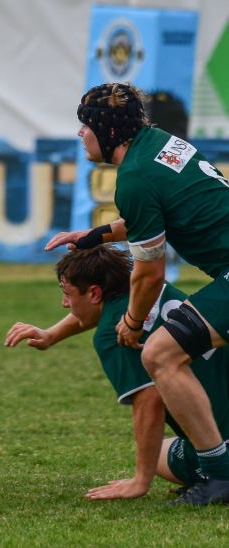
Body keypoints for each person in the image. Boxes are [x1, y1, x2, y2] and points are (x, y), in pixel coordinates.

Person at [44, 82, 229, 505]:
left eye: (85, 126)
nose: (80, 135)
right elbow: (158, 212)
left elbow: (148, 273)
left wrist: (130, 323)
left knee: (158, 354)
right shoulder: (162, 145)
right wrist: (94, 234)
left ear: (107, 132)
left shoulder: (135, 177)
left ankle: (220, 475)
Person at [5, 245, 229, 500]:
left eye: (67, 294)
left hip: (221, 444)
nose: (64, 303)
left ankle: (215, 472)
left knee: (156, 458)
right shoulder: (148, 291)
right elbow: (93, 309)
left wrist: (140, 481)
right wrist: (51, 334)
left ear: (94, 292)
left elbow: (149, 401)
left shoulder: (112, 335)